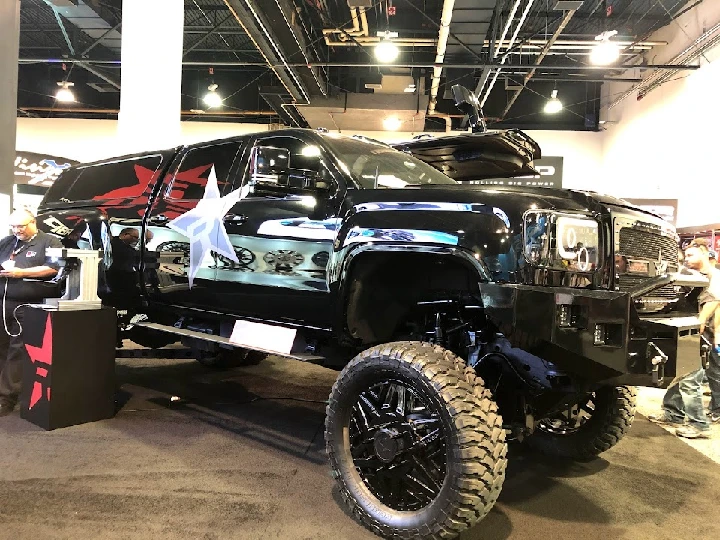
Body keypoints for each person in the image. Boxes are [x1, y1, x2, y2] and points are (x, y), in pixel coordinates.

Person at [649, 238, 720, 438]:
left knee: (691, 378)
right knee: (680, 374)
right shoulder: (694, 275)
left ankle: (699, 424)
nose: (687, 259)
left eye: (691, 255)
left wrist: (701, 327)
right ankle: (673, 413)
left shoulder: (715, 277)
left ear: (705, 252)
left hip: (698, 334)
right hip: (687, 331)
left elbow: (710, 308)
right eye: (686, 255)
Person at [0, 208, 63, 416]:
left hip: (25, 305)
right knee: (2, 348)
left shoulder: (49, 242)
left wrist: (21, 273)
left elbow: (53, 268)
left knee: (16, 351)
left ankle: (6, 397)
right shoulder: (8, 242)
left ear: (33, 222)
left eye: (21, 226)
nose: (17, 230)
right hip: (2, 303)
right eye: (14, 226)